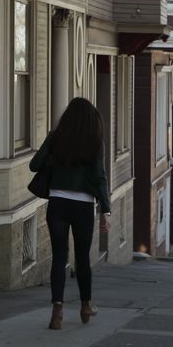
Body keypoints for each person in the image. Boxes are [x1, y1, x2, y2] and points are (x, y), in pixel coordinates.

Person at [29, 97, 110, 330]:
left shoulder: (56, 137)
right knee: (83, 258)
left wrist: (54, 157)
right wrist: (106, 210)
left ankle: (57, 310)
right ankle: (86, 305)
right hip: (83, 206)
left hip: (58, 203)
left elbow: (35, 165)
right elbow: (99, 176)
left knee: (59, 256)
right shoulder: (95, 142)